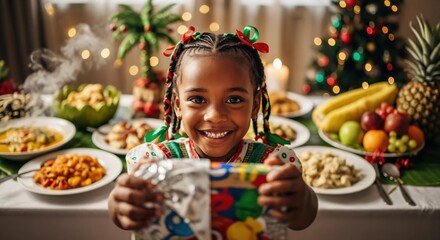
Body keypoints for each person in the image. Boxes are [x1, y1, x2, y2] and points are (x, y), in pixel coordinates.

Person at [108, 25, 318, 234]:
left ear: (255, 106)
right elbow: (123, 212)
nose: (215, 115)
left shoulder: (273, 165)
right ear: (178, 105)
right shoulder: (155, 161)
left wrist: (300, 199)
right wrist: (119, 206)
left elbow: (302, 219)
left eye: (234, 99)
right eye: (198, 99)